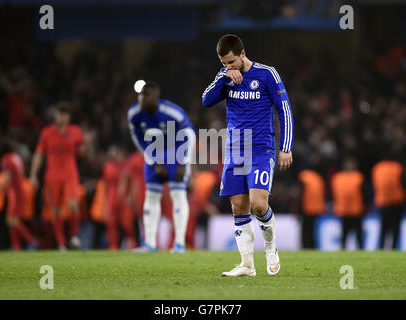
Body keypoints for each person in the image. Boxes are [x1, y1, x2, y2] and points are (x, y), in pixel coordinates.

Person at [202, 34, 293, 276]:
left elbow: (284, 109)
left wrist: (286, 146)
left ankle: (271, 246)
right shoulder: (225, 78)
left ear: (242, 54)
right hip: (235, 150)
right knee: (238, 208)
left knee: (258, 204)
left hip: (261, 148)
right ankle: (247, 265)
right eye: (223, 64)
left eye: (231, 62)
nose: (228, 67)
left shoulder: (267, 74)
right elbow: (206, 100)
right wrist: (223, 77)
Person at [127, 82, 196, 253]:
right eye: (140, 95)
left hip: (176, 153)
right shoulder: (134, 114)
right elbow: (137, 138)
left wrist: (183, 162)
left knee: (178, 195)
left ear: (155, 98)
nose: (141, 98)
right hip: (154, 154)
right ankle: (149, 244)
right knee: (151, 196)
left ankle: (179, 244)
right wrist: (152, 158)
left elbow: (190, 134)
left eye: (145, 95)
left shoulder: (172, 112)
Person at [30, 102, 91, 250]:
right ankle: (61, 243)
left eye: (64, 114)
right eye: (59, 114)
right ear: (55, 116)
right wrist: (33, 174)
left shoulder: (75, 131)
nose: (61, 117)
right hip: (52, 176)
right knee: (55, 209)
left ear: (68, 117)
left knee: (73, 205)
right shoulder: (47, 133)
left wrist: (88, 144)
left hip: (70, 174)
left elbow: (84, 155)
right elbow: (39, 154)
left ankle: (74, 235)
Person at [0, 150, 37, 250]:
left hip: (14, 192)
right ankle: (17, 246)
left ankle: (31, 240)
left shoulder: (7, 159)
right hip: (20, 190)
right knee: (13, 220)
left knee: (11, 220)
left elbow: (7, 176)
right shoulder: (16, 158)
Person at [331, 157, 367, 249]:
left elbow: (365, 193)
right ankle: (343, 251)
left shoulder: (358, 177)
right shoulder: (338, 177)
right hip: (344, 210)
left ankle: (360, 251)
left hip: (356, 210)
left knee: (358, 234)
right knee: (344, 234)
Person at [372, 158, 406, 249]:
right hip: (397, 202)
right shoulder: (398, 167)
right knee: (395, 229)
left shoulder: (378, 168)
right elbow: (404, 183)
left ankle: (382, 247)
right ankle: (394, 247)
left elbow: (375, 185)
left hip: (383, 202)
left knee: (384, 228)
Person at [298, 168, 326, 249]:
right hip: (317, 208)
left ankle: (306, 247)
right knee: (313, 230)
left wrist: (298, 208)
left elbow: (301, 193)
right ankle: (312, 246)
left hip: (306, 208)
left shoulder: (304, 176)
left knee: (306, 231)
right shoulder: (318, 178)